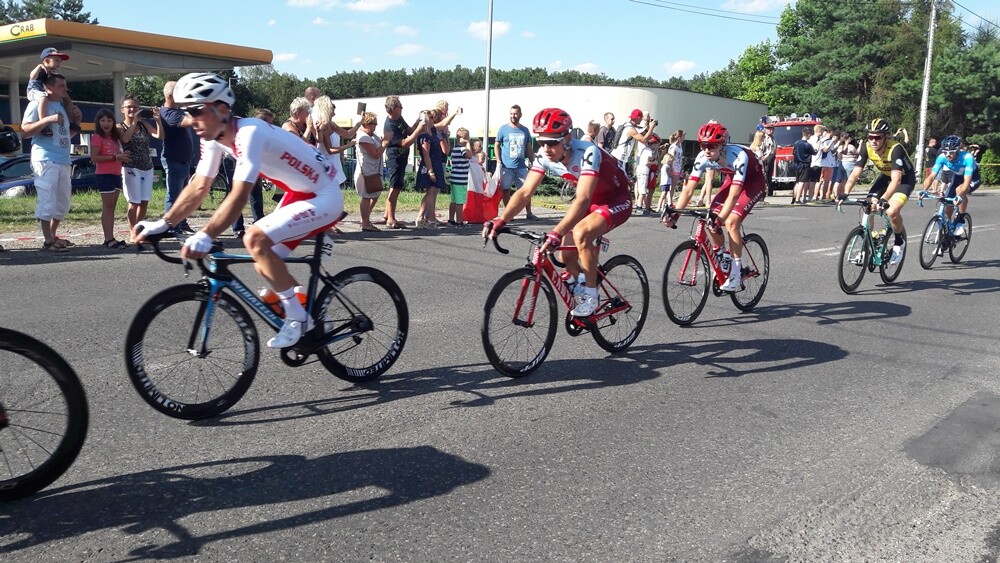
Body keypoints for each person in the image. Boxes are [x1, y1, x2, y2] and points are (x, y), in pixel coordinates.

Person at [133, 72, 344, 349]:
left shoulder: (249, 132)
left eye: (196, 111)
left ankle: (298, 318)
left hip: (325, 194)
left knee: (254, 239)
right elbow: (199, 186)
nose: (190, 120)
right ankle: (311, 314)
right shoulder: (213, 138)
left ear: (221, 109)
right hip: (301, 191)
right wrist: (163, 223)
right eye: (186, 112)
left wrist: (206, 234)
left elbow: (240, 194)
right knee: (263, 262)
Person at [483, 108, 632, 317]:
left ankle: (592, 296)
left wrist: (556, 232)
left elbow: (582, 200)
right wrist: (501, 219)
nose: (546, 148)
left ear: (568, 138)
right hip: (591, 201)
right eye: (541, 142)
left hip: (616, 200)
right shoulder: (544, 156)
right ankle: (581, 280)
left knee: (581, 233)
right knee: (565, 254)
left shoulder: (588, 152)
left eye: (552, 142)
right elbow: (525, 192)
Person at [662, 121, 767, 292]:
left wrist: (721, 219)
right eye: (702, 145)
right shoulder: (702, 157)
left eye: (711, 146)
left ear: (722, 145)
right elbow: (688, 190)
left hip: (753, 183)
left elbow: (734, 195)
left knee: (731, 222)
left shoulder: (739, 156)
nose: (706, 150)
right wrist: (675, 215)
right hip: (732, 180)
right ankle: (723, 254)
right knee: (710, 217)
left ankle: (736, 273)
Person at [840, 118, 917, 265]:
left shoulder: (896, 149)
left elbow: (896, 180)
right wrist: (845, 193)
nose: (873, 140)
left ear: (886, 137)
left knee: (892, 211)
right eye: (870, 137)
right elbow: (855, 174)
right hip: (885, 177)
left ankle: (899, 242)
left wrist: (885, 199)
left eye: (877, 137)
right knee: (868, 205)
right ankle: (870, 240)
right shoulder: (867, 147)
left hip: (904, 180)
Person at [21, 73, 74, 251]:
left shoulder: (62, 106)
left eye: (65, 85)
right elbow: (25, 131)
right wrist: (47, 119)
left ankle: (52, 235)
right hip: (44, 158)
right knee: (47, 200)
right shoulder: (36, 104)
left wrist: (78, 122)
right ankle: (47, 240)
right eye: (61, 85)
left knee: (63, 203)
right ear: (48, 87)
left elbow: (64, 135)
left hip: (64, 159)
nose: (65, 89)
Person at [118, 94, 164, 247]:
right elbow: (125, 139)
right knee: (134, 202)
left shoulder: (143, 125)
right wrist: (133, 122)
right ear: (122, 109)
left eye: (135, 107)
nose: (132, 110)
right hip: (131, 167)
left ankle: (139, 229)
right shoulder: (120, 126)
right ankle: (133, 231)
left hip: (147, 166)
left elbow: (159, 135)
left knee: (144, 201)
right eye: (129, 107)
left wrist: (157, 120)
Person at [921, 135, 980, 238]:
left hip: (972, 178)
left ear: (957, 150)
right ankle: (946, 237)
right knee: (947, 207)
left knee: (959, 190)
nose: (948, 155)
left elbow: (966, 181)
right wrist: (924, 190)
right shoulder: (942, 158)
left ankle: (961, 219)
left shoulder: (967, 158)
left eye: (951, 152)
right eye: (945, 152)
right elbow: (932, 176)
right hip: (957, 177)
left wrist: (960, 196)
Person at [89, 108, 129, 249]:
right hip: (104, 175)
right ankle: (108, 238)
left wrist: (123, 156)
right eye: (103, 120)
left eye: (109, 120)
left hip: (116, 174)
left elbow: (121, 146)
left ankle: (111, 237)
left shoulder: (114, 138)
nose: (106, 123)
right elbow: (94, 158)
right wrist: (114, 157)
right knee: (107, 207)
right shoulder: (97, 137)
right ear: (98, 122)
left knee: (112, 208)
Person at [382, 95, 424, 229]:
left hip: (402, 158)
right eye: (400, 106)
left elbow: (409, 131)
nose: (402, 108)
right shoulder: (390, 125)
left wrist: (419, 121)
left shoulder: (399, 119)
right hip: (395, 158)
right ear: (393, 108)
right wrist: (419, 130)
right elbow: (405, 143)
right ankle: (390, 219)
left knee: (397, 186)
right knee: (394, 187)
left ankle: (388, 215)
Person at [160, 80, 196, 234]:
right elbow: (190, 121)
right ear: (170, 96)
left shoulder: (178, 110)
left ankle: (181, 222)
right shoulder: (168, 113)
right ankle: (171, 225)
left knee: (182, 195)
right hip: (173, 159)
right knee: (173, 195)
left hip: (183, 159)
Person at [232, 108, 274, 238]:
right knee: (236, 194)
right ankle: (237, 227)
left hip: (249, 160)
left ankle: (259, 223)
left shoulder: (261, 133)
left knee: (255, 193)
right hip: (233, 160)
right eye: (269, 123)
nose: (271, 126)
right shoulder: (249, 130)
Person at [494, 104, 537, 220]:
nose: (513, 116)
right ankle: (508, 214)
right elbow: (497, 144)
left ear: (520, 115)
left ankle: (529, 213)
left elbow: (528, 147)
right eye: (511, 113)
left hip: (521, 166)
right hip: (506, 165)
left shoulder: (525, 130)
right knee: (506, 190)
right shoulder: (503, 129)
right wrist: (498, 160)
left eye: (515, 113)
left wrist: (533, 161)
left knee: (526, 190)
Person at [26, 48, 80, 137]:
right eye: (57, 60)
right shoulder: (41, 69)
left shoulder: (51, 73)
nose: (59, 63)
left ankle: (71, 122)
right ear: (47, 60)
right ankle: (44, 124)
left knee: (66, 98)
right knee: (43, 99)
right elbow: (32, 77)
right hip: (33, 91)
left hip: (42, 91)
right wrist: (39, 66)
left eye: (60, 61)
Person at [353, 111, 387, 232]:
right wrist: (385, 144)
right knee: (366, 197)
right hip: (366, 172)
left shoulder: (372, 136)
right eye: (374, 124)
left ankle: (366, 218)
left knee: (375, 194)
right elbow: (376, 154)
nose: (375, 127)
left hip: (373, 171)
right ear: (367, 124)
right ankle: (365, 223)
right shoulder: (363, 137)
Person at [414, 108, 448, 229]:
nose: (433, 119)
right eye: (431, 117)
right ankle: (430, 219)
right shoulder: (424, 136)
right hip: (430, 165)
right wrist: (430, 170)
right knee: (431, 192)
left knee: (431, 192)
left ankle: (421, 217)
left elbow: (443, 124)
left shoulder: (432, 132)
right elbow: (425, 154)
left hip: (437, 163)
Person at [611, 108, 658, 178]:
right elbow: (644, 140)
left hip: (618, 156)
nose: (642, 120)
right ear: (638, 118)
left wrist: (648, 126)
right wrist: (651, 128)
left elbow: (644, 133)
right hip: (620, 157)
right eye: (641, 118)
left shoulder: (627, 125)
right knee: (620, 179)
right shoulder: (630, 129)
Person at [448, 127, 473, 226]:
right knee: (459, 201)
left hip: (454, 177)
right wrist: (468, 144)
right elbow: (470, 155)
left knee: (453, 200)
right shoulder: (462, 149)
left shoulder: (455, 148)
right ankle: (459, 221)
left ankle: (451, 219)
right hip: (460, 179)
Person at [657, 130, 685, 213]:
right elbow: (670, 158)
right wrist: (671, 169)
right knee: (671, 187)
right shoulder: (673, 147)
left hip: (678, 168)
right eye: (683, 137)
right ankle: (669, 203)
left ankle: (668, 203)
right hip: (674, 168)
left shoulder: (679, 146)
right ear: (679, 138)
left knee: (672, 187)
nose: (684, 139)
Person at [634, 133, 660, 214]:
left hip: (641, 170)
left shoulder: (645, 150)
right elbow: (647, 162)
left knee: (642, 190)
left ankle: (640, 206)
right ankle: (639, 207)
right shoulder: (648, 151)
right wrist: (655, 162)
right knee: (642, 191)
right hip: (643, 171)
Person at [791, 127, 816, 205]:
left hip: (797, 164)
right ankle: (798, 200)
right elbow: (814, 152)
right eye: (810, 135)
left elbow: (793, 153)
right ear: (808, 135)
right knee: (802, 182)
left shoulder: (796, 143)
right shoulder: (807, 144)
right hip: (805, 165)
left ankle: (794, 198)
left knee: (797, 182)